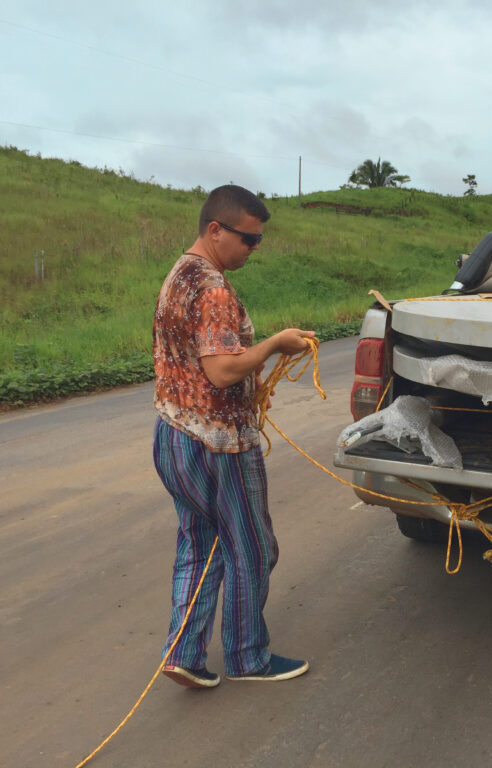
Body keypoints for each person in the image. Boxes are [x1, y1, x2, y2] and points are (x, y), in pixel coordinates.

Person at [152, 184, 315, 688]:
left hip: (173, 435)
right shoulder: (214, 288)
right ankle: (248, 656)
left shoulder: (179, 274)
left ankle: (184, 653)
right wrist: (274, 344)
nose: (254, 248)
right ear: (216, 229)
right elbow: (222, 371)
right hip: (217, 446)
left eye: (259, 240)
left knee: (200, 544)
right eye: (248, 239)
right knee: (252, 547)